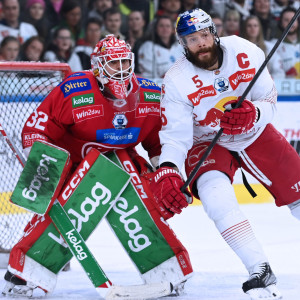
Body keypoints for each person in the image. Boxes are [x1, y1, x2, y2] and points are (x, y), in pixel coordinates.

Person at [2, 34, 193, 298]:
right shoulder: (75, 89)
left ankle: (166, 268)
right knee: (66, 211)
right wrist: (41, 163)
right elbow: (37, 127)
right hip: (72, 165)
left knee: (137, 192)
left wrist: (166, 171)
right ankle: (28, 271)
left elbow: (160, 141)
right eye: (114, 63)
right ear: (97, 66)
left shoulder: (149, 94)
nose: (122, 69)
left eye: (125, 61)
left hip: (121, 162)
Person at [150, 8, 300, 300]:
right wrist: (169, 169)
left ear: (214, 33)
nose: (201, 44)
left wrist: (253, 113)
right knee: (215, 197)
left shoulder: (245, 50)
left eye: (204, 35)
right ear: (183, 44)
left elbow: (268, 100)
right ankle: (259, 268)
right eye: (192, 40)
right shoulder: (177, 79)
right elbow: (175, 138)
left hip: (253, 132)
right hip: (207, 142)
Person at [274, 7, 300, 78]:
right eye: (286, 20)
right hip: (285, 86)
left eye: (293, 19)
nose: (290, 22)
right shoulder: (273, 45)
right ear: (281, 22)